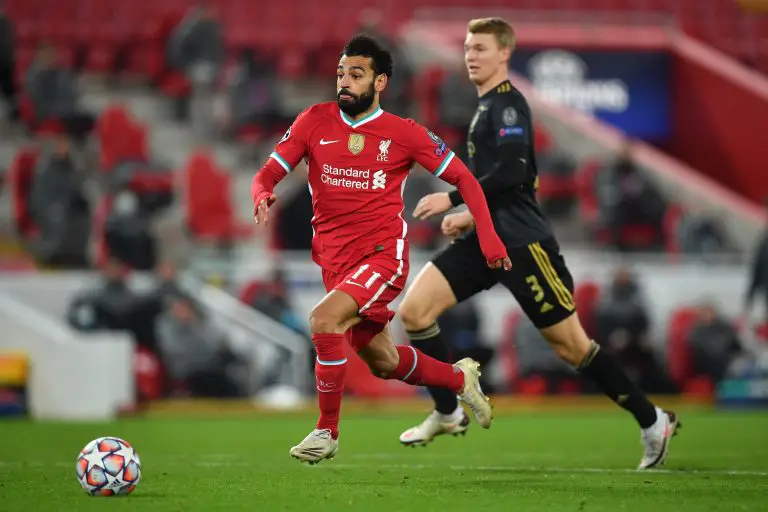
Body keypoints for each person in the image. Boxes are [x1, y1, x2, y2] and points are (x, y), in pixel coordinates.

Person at [396, 18, 680, 470]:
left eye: (482, 48)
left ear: (504, 53)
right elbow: (511, 184)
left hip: (524, 245)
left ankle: (652, 421)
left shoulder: (508, 106)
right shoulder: (484, 108)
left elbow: (512, 173)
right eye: (468, 47)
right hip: (486, 239)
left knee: (572, 347)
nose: (471, 55)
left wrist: (453, 197)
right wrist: (471, 214)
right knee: (415, 312)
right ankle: (448, 411)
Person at [250, 34, 511, 464]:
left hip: (382, 257)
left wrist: (489, 237)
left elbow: (466, 179)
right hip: (335, 263)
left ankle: (326, 432)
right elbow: (268, 171)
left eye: (356, 74)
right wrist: (261, 192)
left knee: (323, 321)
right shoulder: (313, 121)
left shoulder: (404, 134)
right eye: (340, 74)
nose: (345, 83)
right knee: (384, 362)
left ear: (380, 81)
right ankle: (459, 379)